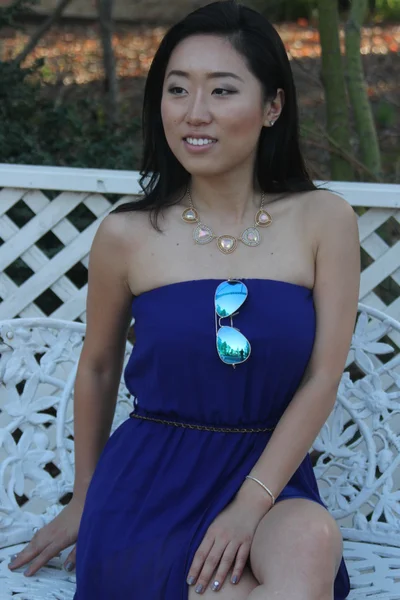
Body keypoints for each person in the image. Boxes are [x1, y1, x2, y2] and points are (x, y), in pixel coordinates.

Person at [7, 1, 360, 598]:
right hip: (150, 487)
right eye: (178, 90)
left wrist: (250, 503)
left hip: (272, 483)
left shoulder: (324, 219)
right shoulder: (127, 235)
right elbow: (97, 367)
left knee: (312, 540)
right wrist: (85, 501)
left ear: (272, 106)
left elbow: (323, 377)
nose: (195, 113)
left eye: (223, 91)